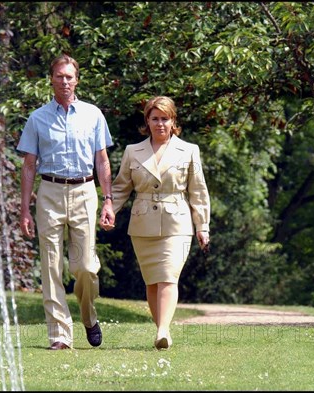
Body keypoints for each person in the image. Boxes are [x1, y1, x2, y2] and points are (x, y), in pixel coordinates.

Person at [18, 54, 115, 350]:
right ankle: (60, 335)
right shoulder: (37, 118)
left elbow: (102, 160)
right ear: (51, 79)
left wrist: (108, 200)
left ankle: (88, 315)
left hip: (85, 192)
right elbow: (29, 166)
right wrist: (25, 209)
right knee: (50, 265)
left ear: (77, 80)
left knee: (86, 266)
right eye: (59, 76)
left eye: (69, 76)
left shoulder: (93, 115)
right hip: (49, 192)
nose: (64, 81)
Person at [101, 96, 210, 350]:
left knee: (168, 276)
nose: (160, 124)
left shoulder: (189, 150)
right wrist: (109, 210)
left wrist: (202, 226)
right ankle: (161, 327)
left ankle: (163, 331)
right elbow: (120, 188)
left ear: (173, 121)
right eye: (155, 119)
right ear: (147, 121)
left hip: (178, 224)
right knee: (152, 281)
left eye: (165, 119)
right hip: (143, 224)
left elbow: (198, 191)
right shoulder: (132, 151)